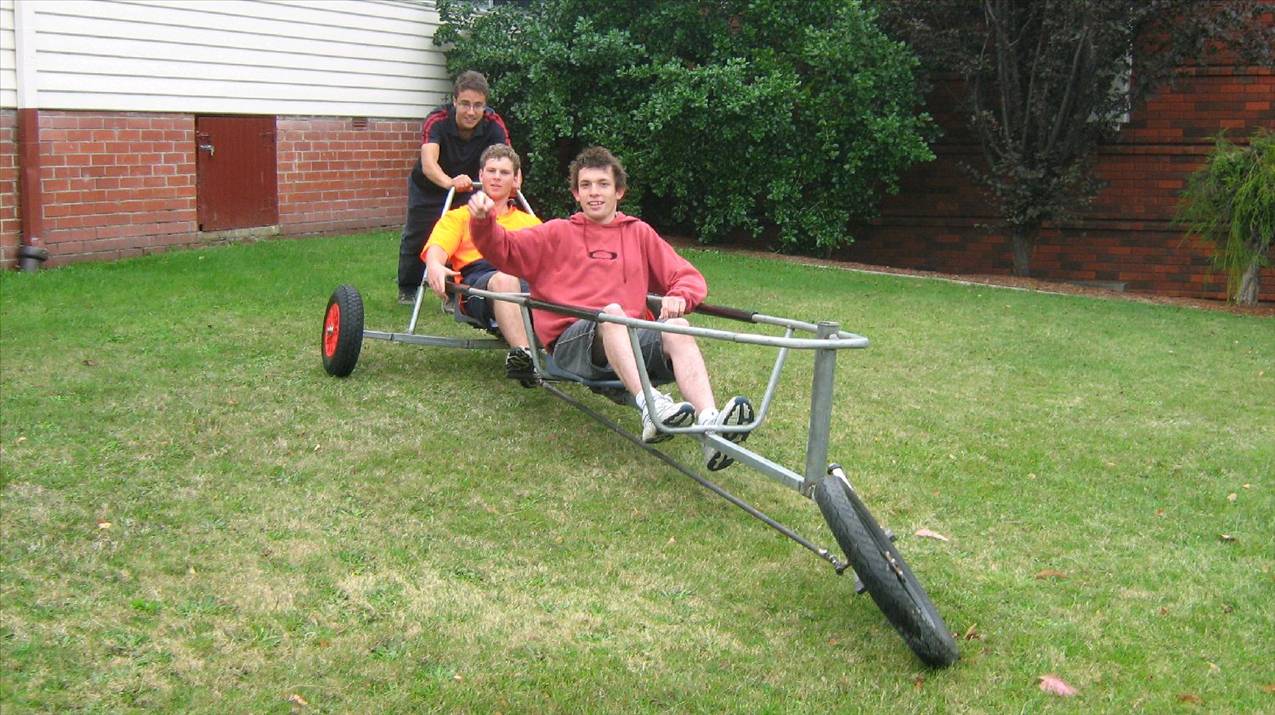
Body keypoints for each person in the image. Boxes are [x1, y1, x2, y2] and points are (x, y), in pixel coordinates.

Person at [468, 146, 753, 471]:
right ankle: (651, 409)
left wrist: (680, 296)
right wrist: (483, 221)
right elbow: (503, 249)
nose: (594, 192)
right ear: (576, 194)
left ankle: (710, 425)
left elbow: (686, 276)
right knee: (613, 313)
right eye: (586, 185)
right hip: (572, 343)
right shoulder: (555, 232)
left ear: (619, 191)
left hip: (625, 338)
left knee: (679, 328)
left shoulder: (638, 233)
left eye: (602, 184)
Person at [421, 144, 540, 379]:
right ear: (481, 175)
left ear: (516, 180)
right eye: (491, 171)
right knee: (505, 279)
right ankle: (525, 357)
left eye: (504, 172)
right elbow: (438, 249)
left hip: (524, 277)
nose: (497, 177)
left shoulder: (531, 223)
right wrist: (434, 265)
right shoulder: (459, 217)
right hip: (479, 281)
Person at [396, 70, 511, 305]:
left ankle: (453, 293)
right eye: (465, 104)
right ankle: (408, 287)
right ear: (454, 101)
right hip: (430, 186)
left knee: (463, 237)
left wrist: (513, 182)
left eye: (478, 105)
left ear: (485, 106)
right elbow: (429, 164)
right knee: (418, 234)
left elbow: (509, 159)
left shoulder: (493, 123)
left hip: (468, 186)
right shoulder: (437, 120)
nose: (471, 112)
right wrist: (450, 182)